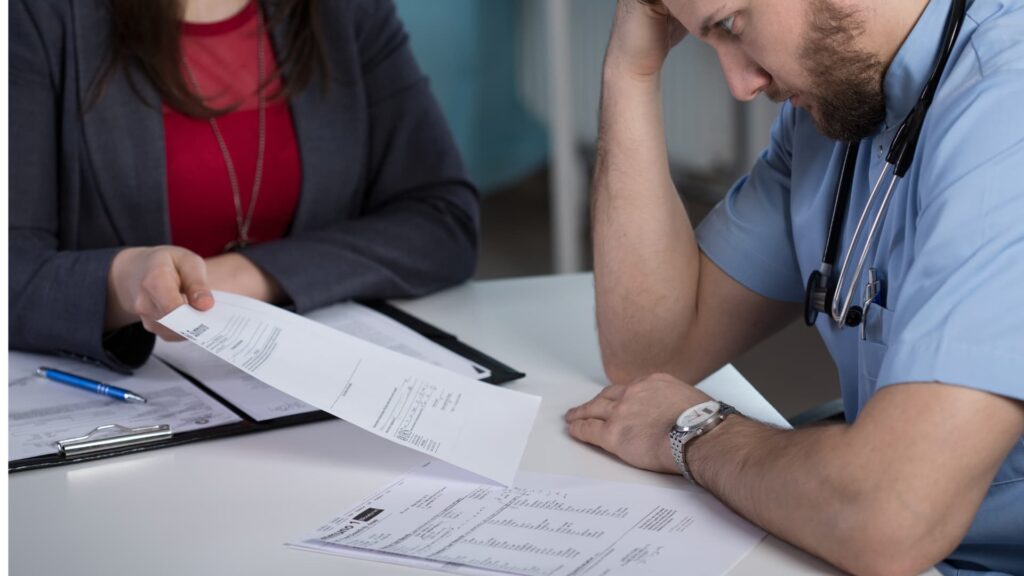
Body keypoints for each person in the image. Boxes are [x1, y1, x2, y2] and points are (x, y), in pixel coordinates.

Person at [565, 0, 1024, 573]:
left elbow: (887, 516)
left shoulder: (1009, 109)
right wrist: (631, 72)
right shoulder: (843, 105)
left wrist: (694, 431)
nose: (740, 85)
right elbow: (651, 353)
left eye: (732, 24)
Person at [10, 0, 479, 372]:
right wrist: (125, 281)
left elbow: (443, 220)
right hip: (133, 400)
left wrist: (238, 277)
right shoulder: (37, 15)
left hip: (310, 388)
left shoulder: (347, 11)